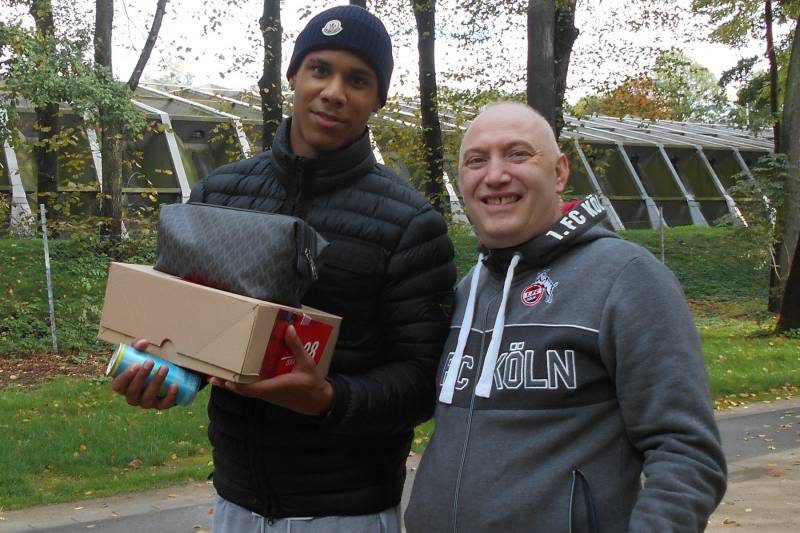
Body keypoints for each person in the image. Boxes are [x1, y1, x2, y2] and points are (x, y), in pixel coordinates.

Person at [111, 5, 456, 532]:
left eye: (358, 80)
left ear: (378, 99)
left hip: (347, 513)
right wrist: (167, 374)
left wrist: (328, 399)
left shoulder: (411, 224)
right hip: (235, 504)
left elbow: (420, 382)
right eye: (320, 69)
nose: (334, 92)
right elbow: (195, 329)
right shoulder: (219, 195)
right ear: (293, 76)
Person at [404, 101, 726, 533]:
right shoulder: (466, 292)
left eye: (517, 154)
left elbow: (687, 452)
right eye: (476, 160)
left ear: (559, 173)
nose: (495, 175)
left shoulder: (627, 278)